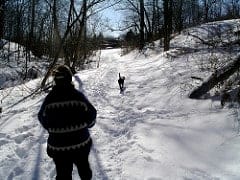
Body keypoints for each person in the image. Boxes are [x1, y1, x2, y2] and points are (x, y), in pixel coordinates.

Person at [38, 65, 97, 180]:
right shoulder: (78, 96)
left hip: (58, 148)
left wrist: (52, 128)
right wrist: (88, 124)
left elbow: (41, 117)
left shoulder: (49, 99)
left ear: (55, 80)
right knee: (84, 168)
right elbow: (92, 114)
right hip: (81, 145)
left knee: (63, 174)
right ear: (70, 78)